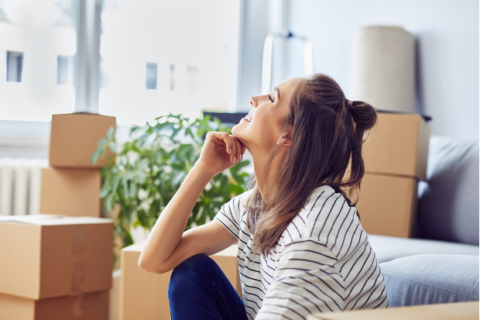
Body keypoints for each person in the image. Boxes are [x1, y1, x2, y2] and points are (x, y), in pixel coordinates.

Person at [138, 73, 389, 320]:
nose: (254, 99)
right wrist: (203, 170)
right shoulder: (255, 205)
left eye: (271, 98)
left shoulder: (316, 228)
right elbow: (154, 260)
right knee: (192, 272)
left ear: (290, 136)